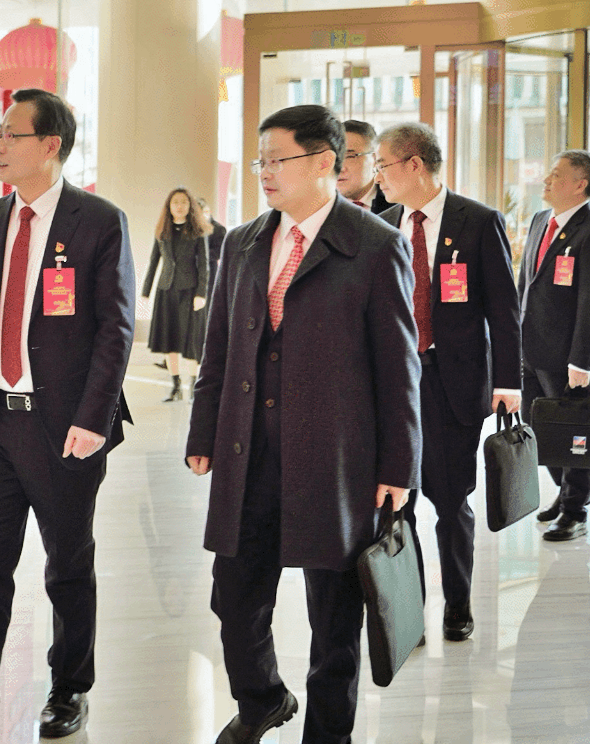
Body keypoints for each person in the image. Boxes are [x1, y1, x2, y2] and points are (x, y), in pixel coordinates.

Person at [186, 104, 421, 744]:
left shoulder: (375, 245)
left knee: (335, 618)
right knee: (234, 597)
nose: (264, 172)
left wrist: (399, 466)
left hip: (335, 459)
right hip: (249, 453)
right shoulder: (243, 242)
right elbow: (219, 347)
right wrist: (203, 433)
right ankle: (262, 698)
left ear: (324, 162)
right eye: (260, 160)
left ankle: (328, 735)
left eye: (277, 159)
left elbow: (399, 368)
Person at [0, 89, 136, 743]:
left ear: (50, 145)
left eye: (12, 134)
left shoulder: (99, 220)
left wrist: (93, 418)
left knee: (67, 564)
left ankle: (69, 689)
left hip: (66, 426)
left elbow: (116, 328)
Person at [375, 122, 521, 642]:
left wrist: (509, 382)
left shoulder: (477, 221)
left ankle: (458, 604)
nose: (377, 176)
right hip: (393, 383)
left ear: (414, 164)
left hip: (451, 382)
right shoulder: (382, 224)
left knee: (451, 500)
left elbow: (504, 310)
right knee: (396, 502)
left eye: (383, 165)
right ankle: (407, 609)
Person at [517, 150, 590, 541]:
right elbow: (526, 285)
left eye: (556, 174)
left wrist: (581, 361)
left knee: (574, 434)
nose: (547, 179)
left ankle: (575, 511)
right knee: (539, 428)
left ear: (580, 184)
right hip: (530, 348)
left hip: (566, 356)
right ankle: (570, 490)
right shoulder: (541, 220)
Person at [140, 187, 212, 401]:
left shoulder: (198, 232)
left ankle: (194, 386)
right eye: (175, 202)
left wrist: (201, 294)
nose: (179, 206)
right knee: (169, 340)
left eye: (183, 202)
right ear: (169, 207)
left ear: (190, 206)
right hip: (166, 291)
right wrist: (145, 291)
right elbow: (154, 261)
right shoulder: (162, 231)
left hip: (190, 293)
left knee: (191, 341)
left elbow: (204, 265)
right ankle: (176, 386)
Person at [336, 119, 394, 214]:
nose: (339, 168)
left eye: (349, 156)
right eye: (335, 157)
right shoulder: (317, 207)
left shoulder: (397, 203)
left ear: (375, 158)